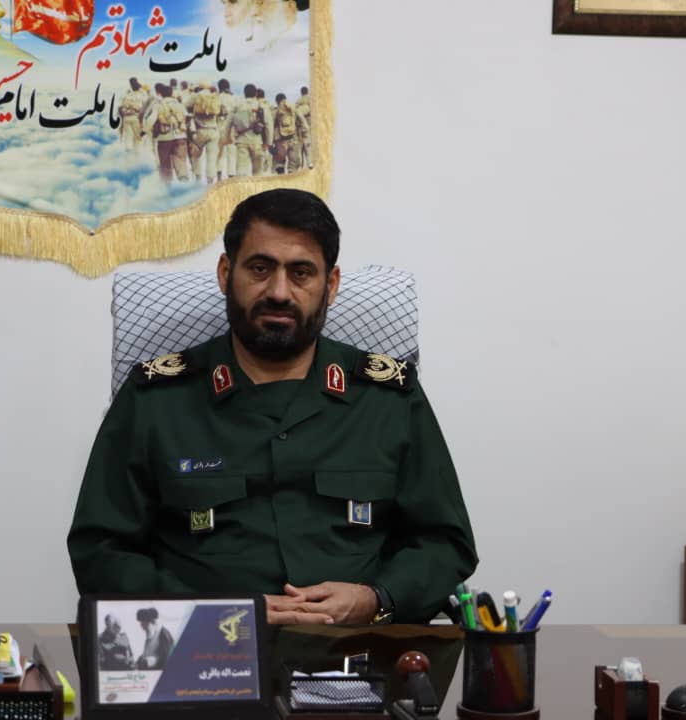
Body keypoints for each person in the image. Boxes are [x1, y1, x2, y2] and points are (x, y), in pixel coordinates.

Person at [68, 189, 478, 625]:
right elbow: (100, 552)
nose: (279, 292)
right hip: (204, 649)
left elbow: (446, 542)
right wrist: (218, 613)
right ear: (226, 273)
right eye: (260, 269)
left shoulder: (387, 399)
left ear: (331, 285)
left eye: (301, 273)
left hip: (359, 648)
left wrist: (376, 599)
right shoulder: (156, 399)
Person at [143, 83, 189, 183]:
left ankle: (167, 185)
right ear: (171, 93)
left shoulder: (158, 105)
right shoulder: (180, 105)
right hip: (180, 136)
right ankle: (184, 181)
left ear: (161, 94)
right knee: (181, 161)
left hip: (164, 138)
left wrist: (145, 130)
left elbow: (151, 120)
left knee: (165, 164)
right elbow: (187, 117)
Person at [229, 83, 271, 177]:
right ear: (256, 94)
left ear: (244, 94)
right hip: (257, 142)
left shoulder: (237, 106)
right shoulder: (262, 106)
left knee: (241, 171)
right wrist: (268, 143)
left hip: (241, 141)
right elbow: (268, 125)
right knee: (257, 173)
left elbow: (228, 123)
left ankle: (242, 186)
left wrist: (227, 138)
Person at [272, 92, 307, 174]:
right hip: (293, 139)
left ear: (277, 101)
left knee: (279, 163)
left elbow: (270, 126)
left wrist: (270, 142)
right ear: (285, 99)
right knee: (293, 164)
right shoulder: (294, 109)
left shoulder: (275, 112)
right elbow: (304, 123)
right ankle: (291, 176)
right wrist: (304, 135)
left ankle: (281, 177)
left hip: (280, 141)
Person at [119, 77, 151, 153]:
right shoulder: (143, 94)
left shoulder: (127, 95)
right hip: (137, 118)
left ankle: (128, 152)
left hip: (126, 118)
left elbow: (121, 107)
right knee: (138, 138)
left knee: (128, 137)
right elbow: (146, 107)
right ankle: (136, 154)